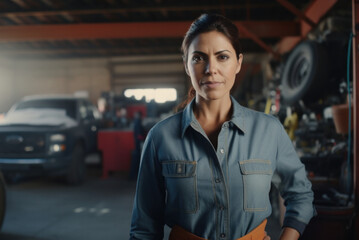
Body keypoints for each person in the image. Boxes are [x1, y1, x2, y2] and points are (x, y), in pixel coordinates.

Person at [129, 13, 315, 240]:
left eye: (222, 57)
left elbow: (301, 193)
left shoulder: (269, 131)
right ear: (187, 66)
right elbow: (144, 227)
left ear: (238, 63)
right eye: (198, 58)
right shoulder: (161, 137)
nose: (210, 68)